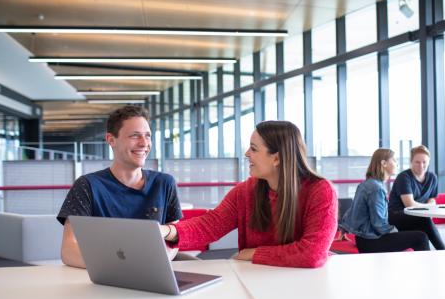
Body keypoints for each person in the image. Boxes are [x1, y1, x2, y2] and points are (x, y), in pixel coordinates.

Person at [157, 120, 338, 268]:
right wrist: (167, 231)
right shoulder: (246, 191)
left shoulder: (321, 191)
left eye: (253, 148)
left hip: (306, 285)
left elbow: (312, 253)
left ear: (276, 158)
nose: (246, 154)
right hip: (256, 280)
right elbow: (209, 226)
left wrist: (254, 253)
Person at [57, 105, 182, 268]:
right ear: (111, 140)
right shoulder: (88, 186)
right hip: (105, 278)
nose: (144, 143)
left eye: (147, 136)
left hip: (153, 273)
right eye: (135, 136)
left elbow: (176, 238)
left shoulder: (165, 183)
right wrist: (122, 268)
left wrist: (154, 264)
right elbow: (68, 250)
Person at [339, 149, 430, 253]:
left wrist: (343, 229)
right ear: (384, 163)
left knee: (414, 231)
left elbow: (352, 211)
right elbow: (379, 225)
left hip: (364, 239)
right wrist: (396, 231)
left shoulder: (368, 183)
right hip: (371, 241)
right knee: (421, 238)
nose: (396, 164)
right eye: (394, 160)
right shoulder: (376, 188)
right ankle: (427, 268)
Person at [388, 145, 445, 250]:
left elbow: (432, 200)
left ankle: (427, 260)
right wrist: (429, 207)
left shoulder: (432, 178)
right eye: (417, 162)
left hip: (417, 216)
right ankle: (443, 251)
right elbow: (409, 204)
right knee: (425, 220)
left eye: (424, 162)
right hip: (398, 215)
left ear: (429, 162)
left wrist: (428, 206)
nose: (421, 165)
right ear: (411, 162)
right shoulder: (404, 177)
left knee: (422, 234)